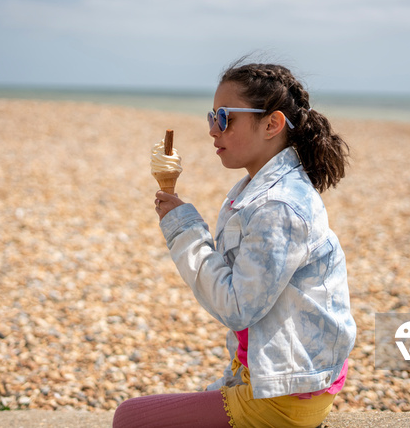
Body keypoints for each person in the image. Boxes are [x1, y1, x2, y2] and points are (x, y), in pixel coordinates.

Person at [113, 61, 356, 428]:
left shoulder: (278, 205)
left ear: (272, 124)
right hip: (278, 381)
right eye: (212, 116)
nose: (212, 130)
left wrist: (184, 230)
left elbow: (237, 306)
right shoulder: (262, 189)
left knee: (129, 419)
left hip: (283, 399)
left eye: (225, 117)